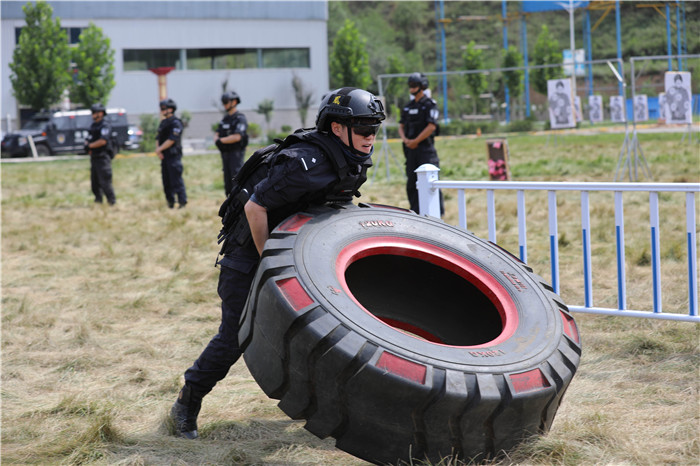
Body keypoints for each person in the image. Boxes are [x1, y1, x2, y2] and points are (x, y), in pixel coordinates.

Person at [169, 87, 385, 439]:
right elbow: (255, 208)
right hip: (251, 257)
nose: (370, 136)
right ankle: (187, 401)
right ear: (336, 128)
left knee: (323, 335)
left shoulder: (351, 157)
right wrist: (270, 265)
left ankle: (325, 409)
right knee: (234, 338)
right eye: (363, 128)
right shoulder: (304, 163)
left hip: (299, 258)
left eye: (374, 128)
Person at [399, 72, 443, 214]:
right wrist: (406, 140)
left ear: (422, 86)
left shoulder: (430, 105)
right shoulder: (407, 106)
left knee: (431, 183)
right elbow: (401, 126)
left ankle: (435, 214)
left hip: (425, 150)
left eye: (414, 85)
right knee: (412, 183)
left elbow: (431, 127)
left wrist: (416, 141)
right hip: (411, 151)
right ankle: (416, 213)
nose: (411, 88)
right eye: (410, 85)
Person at [214, 91, 248, 195]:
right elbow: (217, 133)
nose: (224, 104)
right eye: (223, 102)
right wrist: (217, 139)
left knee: (236, 179)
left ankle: (239, 202)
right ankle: (229, 201)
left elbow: (237, 137)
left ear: (234, 102)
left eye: (226, 101)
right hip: (225, 154)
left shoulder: (240, 118)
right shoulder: (225, 119)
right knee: (227, 181)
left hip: (235, 154)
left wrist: (220, 141)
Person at [156, 98, 187, 208]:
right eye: (161, 108)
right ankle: (170, 202)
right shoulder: (163, 123)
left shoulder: (176, 123)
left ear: (171, 109)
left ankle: (182, 202)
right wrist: (158, 150)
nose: (162, 110)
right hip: (164, 156)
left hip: (173, 156)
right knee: (166, 181)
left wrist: (159, 149)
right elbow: (158, 137)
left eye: (164, 108)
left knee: (176, 180)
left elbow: (172, 139)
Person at [85, 103, 116, 205]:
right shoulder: (93, 126)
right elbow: (88, 139)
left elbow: (103, 141)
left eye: (95, 112)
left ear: (101, 113)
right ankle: (98, 201)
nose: (93, 115)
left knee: (105, 182)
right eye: (92, 113)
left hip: (103, 157)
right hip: (94, 157)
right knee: (95, 182)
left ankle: (111, 202)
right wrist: (87, 146)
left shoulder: (105, 125)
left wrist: (90, 146)